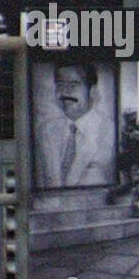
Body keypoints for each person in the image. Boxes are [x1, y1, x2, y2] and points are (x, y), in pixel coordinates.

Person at [35, 60, 116, 188]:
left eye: (73, 85)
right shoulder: (46, 131)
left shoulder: (111, 132)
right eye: (60, 85)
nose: (65, 93)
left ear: (93, 91)